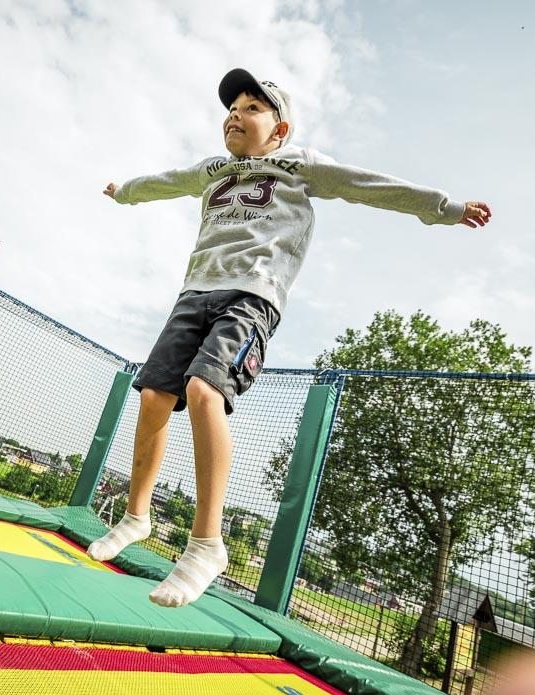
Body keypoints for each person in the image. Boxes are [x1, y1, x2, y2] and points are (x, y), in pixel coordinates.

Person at [89, 68, 491, 608]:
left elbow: (368, 184)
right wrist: (124, 193)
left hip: (253, 294)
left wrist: (444, 208)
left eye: (252, 108)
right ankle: (137, 517)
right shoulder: (213, 170)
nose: (236, 115)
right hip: (194, 292)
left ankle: (206, 546)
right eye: (232, 109)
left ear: (279, 130)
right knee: (155, 397)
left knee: (205, 390)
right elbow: (166, 180)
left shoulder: (299, 164)